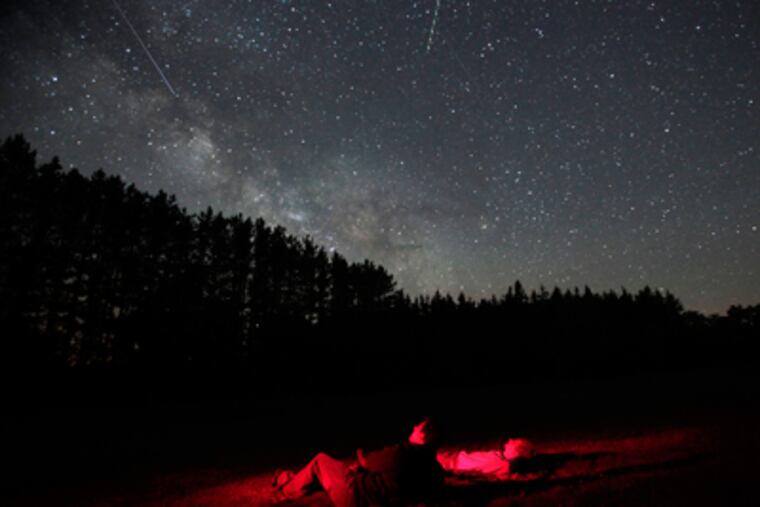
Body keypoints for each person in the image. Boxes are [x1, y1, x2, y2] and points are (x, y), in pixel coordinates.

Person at [272, 417, 445, 506]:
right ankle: (289, 478)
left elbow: (367, 462)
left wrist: (361, 453)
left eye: (418, 427)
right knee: (328, 474)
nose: (414, 427)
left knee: (320, 460)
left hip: (355, 496)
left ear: (423, 436)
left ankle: (284, 490)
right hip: (378, 498)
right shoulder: (434, 468)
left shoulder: (402, 454)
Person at [436, 438, 535, 480]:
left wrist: (524, 457)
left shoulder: (503, 464)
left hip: (451, 463)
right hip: (453, 457)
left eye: (514, 441)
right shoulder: (499, 456)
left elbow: (516, 466)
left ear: (516, 452)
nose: (510, 440)